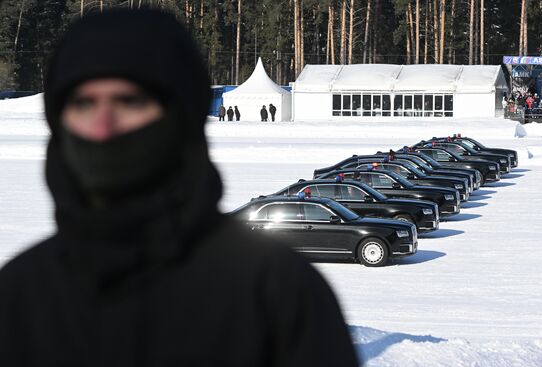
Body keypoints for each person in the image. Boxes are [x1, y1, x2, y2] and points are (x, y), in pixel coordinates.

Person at [0, 9, 359, 367]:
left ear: (180, 117)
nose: (105, 126)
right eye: (83, 103)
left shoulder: (277, 294)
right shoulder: (20, 295)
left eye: (130, 102)